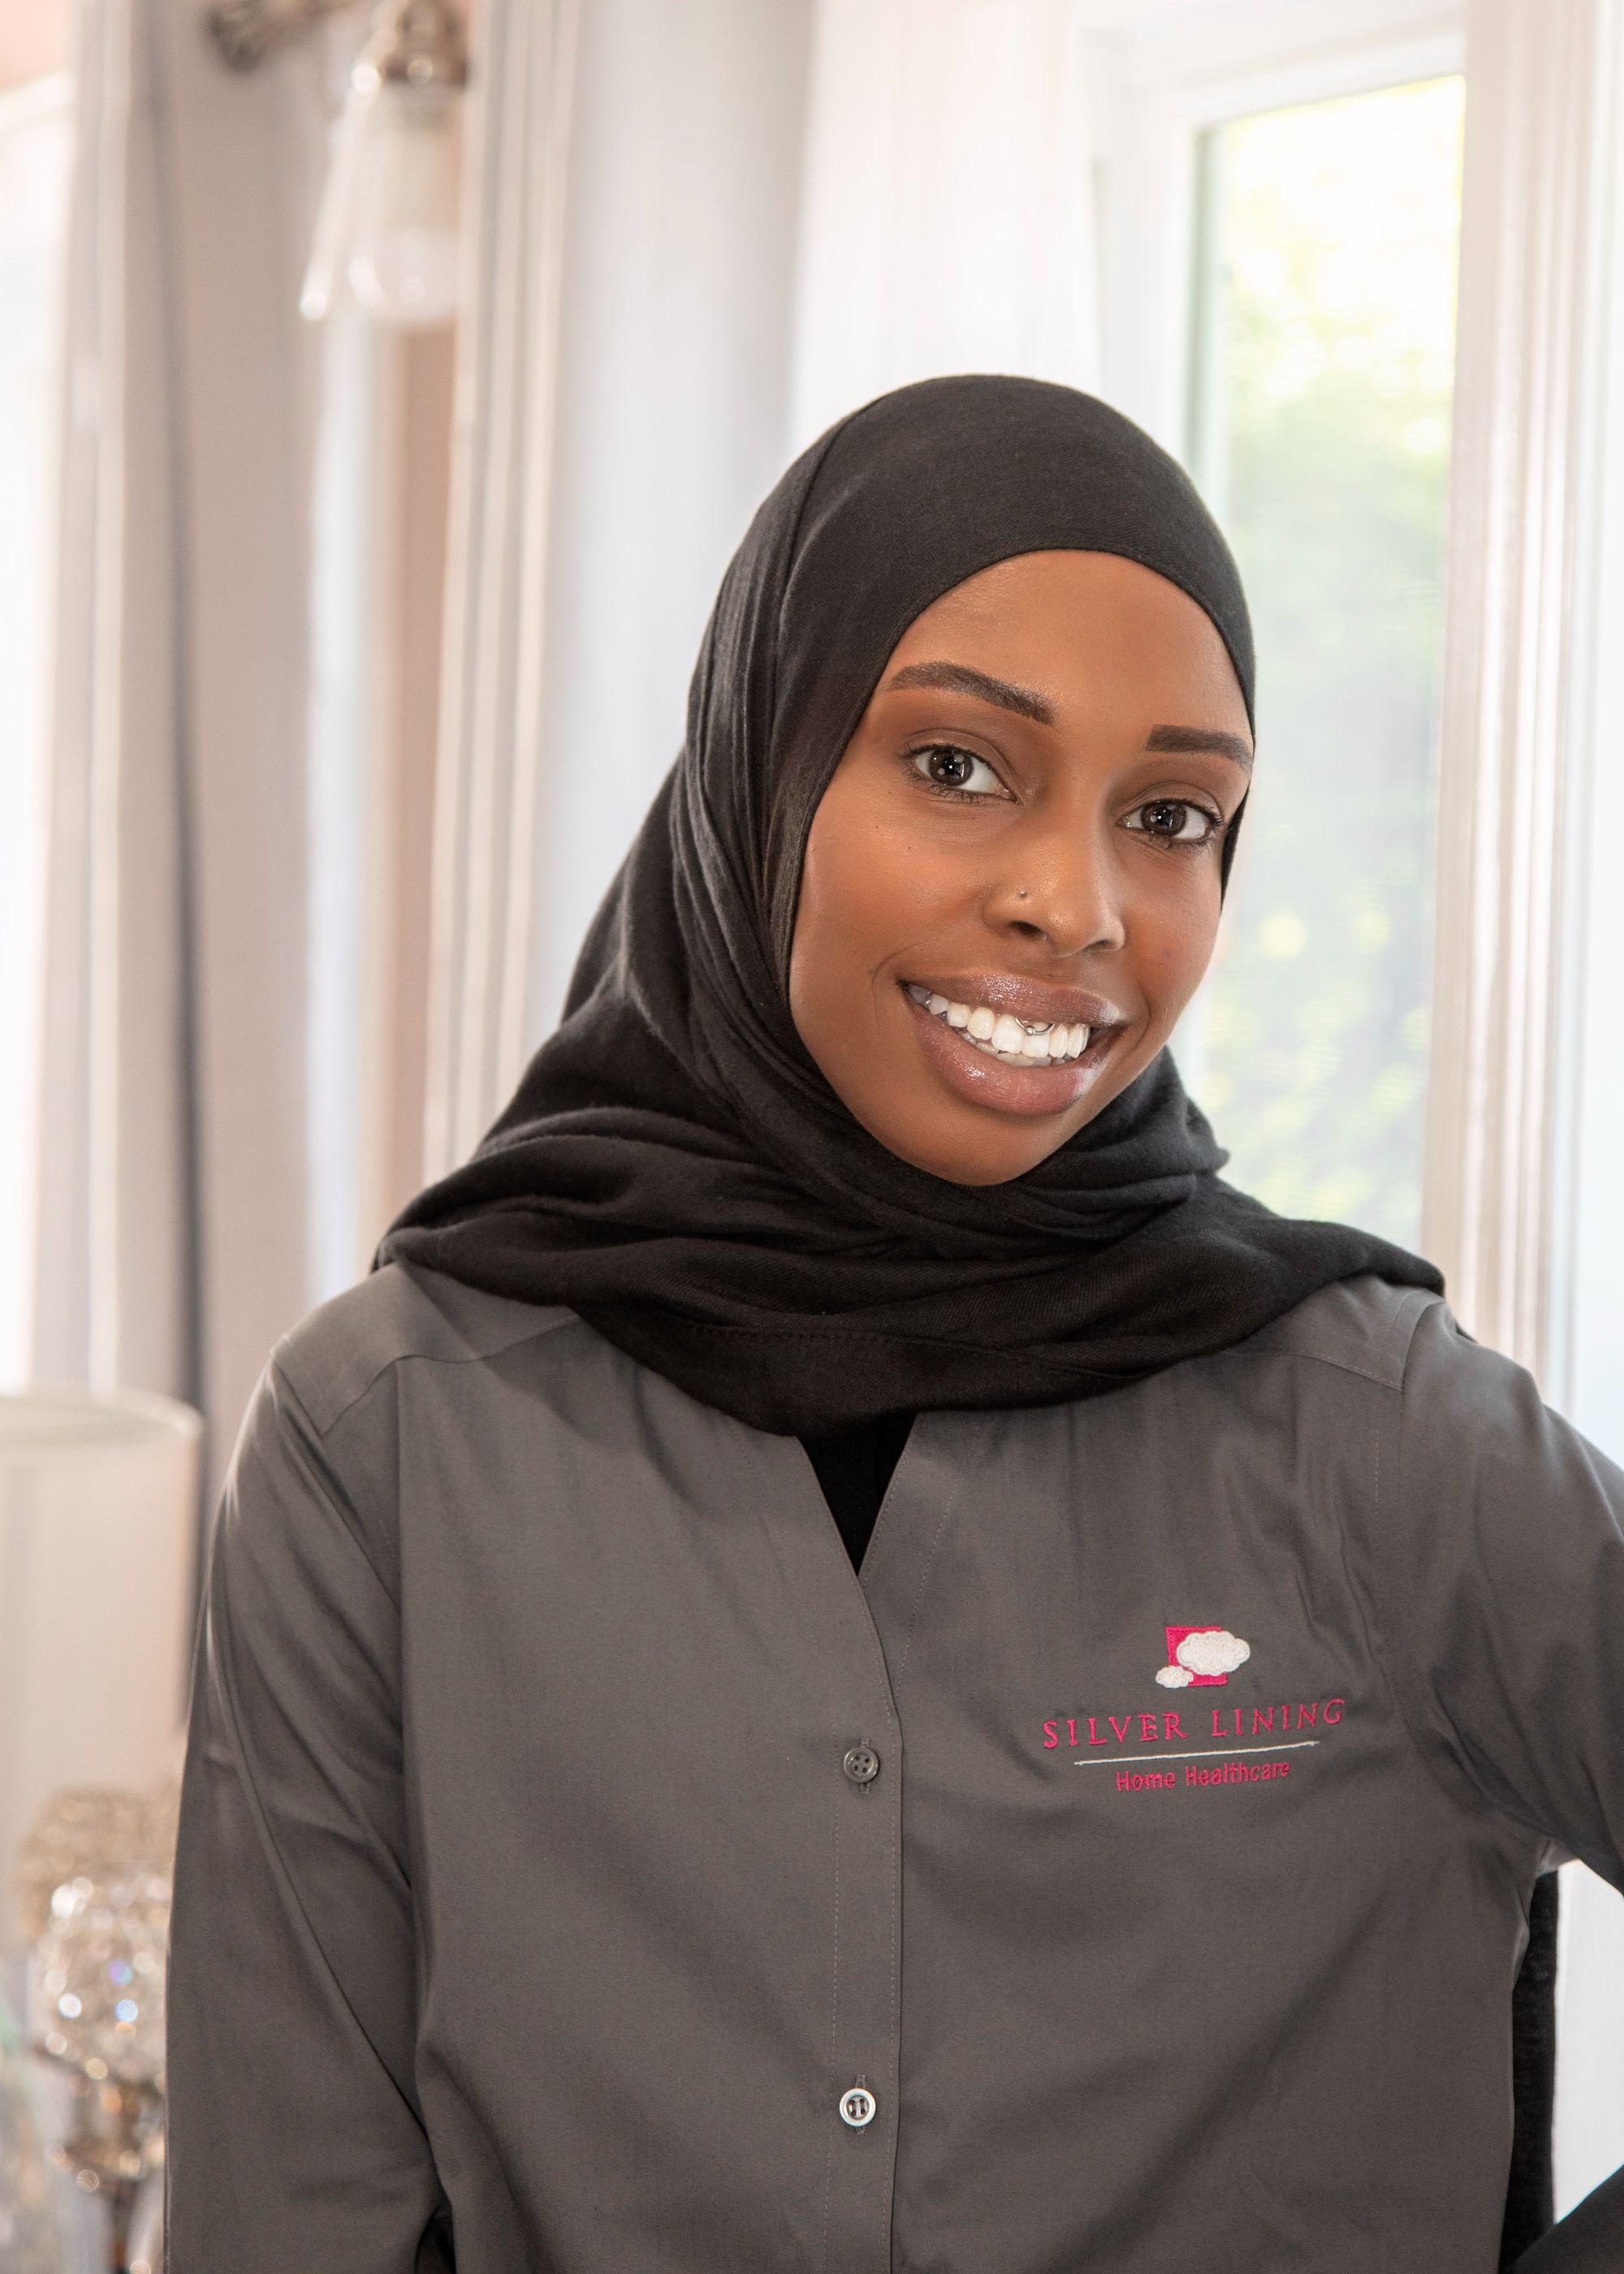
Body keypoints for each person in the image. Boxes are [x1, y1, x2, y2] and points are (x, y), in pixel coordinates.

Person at [166, 377, 1623, 2272]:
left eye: (1169, 814)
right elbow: (285, 2218)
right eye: (957, 764)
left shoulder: (1384, 1439)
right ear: (762, 776)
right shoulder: (389, 1443)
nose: (1073, 904)